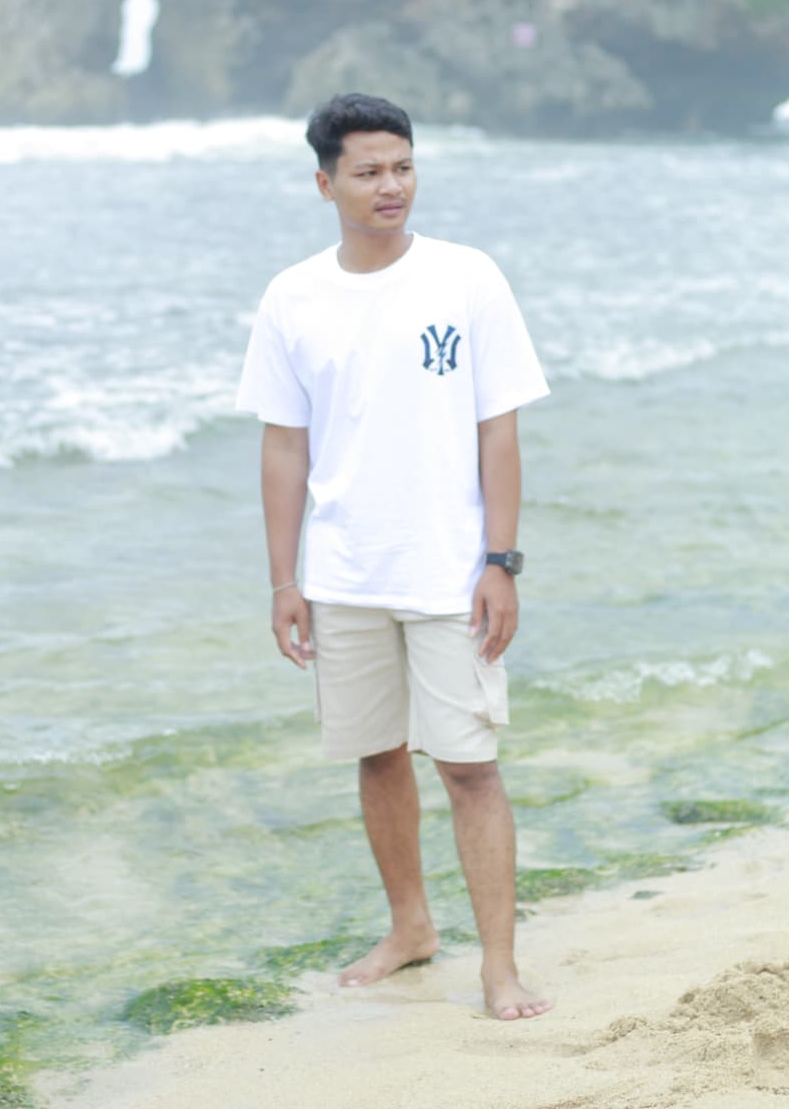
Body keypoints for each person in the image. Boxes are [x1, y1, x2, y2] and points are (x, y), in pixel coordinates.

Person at [236, 92, 552, 1021]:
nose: (392, 186)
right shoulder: (292, 297)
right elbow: (284, 446)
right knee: (376, 758)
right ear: (324, 183)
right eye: (369, 171)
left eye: (403, 166)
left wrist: (500, 560)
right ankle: (410, 928)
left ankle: (499, 968)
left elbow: (499, 431)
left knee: (468, 767)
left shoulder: (466, 278)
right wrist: (285, 580)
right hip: (344, 574)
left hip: (450, 570)